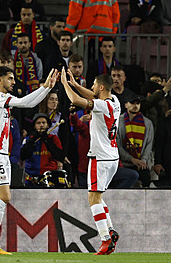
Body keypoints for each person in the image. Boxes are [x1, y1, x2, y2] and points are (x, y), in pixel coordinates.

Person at [0, 67, 58, 255]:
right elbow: (26, 102)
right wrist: (45, 88)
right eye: (10, 78)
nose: (14, 82)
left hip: (1, 154)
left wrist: (46, 89)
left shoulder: (4, 101)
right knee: (5, 197)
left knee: (0, 199)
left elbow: (26, 102)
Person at [60, 69, 120, 255]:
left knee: (93, 199)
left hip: (99, 158)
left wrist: (64, 84)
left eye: (93, 84)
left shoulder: (102, 105)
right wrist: (75, 85)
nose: (91, 87)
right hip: (112, 157)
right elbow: (90, 95)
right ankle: (110, 231)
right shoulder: (115, 101)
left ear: (101, 87)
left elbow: (77, 101)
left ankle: (104, 239)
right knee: (99, 197)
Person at [117, 96, 155, 187]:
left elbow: (149, 144)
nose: (135, 106)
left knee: (146, 182)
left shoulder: (148, 123)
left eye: (137, 103)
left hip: (141, 163)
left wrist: (143, 161)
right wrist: (131, 159)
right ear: (126, 105)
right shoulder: (118, 121)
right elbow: (117, 145)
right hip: (123, 163)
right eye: (132, 103)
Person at [21, 113, 64, 187]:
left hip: (50, 179)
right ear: (34, 126)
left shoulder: (54, 139)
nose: (41, 125)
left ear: (48, 125)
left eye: (43, 123)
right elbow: (23, 156)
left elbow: (60, 157)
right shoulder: (28, 139)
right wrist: (31, 141)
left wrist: (47, 141)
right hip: (31, 180)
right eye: (38, 123)